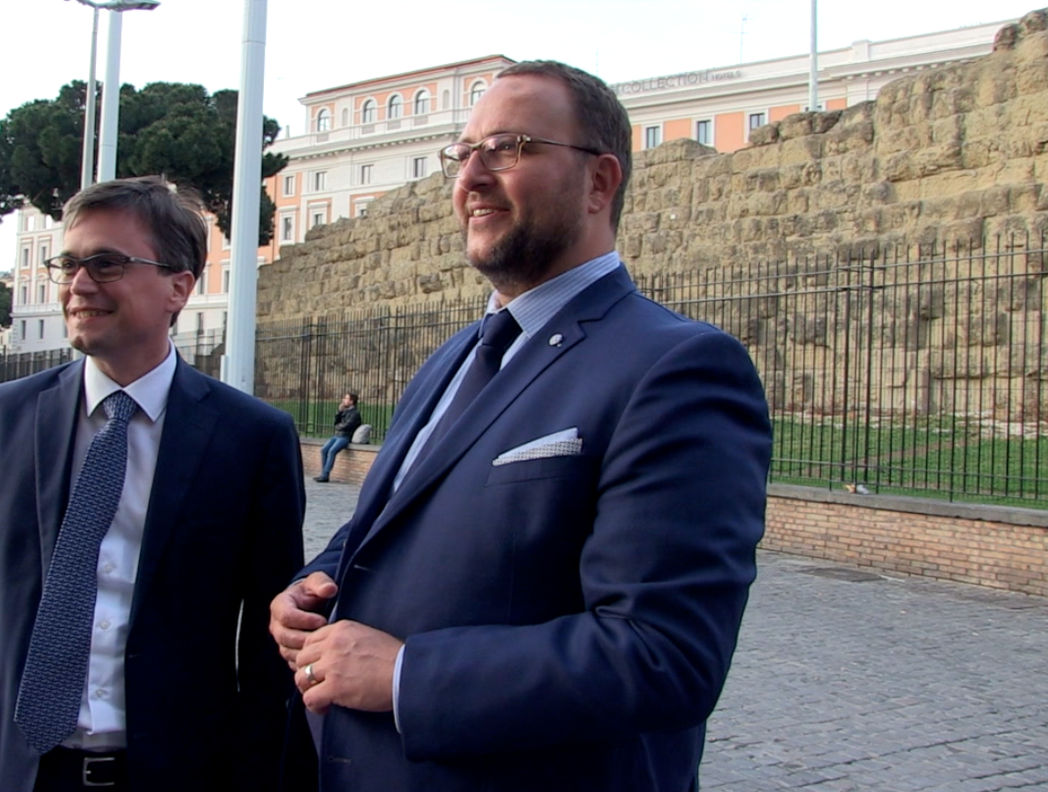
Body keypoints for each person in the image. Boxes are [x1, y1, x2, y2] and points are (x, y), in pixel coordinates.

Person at [269, 60, 772, 792]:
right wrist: (314, 584)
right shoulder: (451, 357)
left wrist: (409, 675)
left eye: (507, 148)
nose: (469, 177)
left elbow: (665, 654)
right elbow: (388, 527)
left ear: (600, 182)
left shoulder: (678, 368)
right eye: (462, 153)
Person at [0, 176, 307, 792]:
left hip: (171, 772)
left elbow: (269, 650)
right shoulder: (7, 416)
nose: (79, 285)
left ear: (178, 288)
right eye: (69, 264)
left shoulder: (252, 439)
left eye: (106, 264)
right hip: (15, 771)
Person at [314, 392, 361, 483]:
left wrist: (338, 426)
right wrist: (339, 412)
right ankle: (323, 474)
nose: (343, 400)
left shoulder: (355, 413)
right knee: (324, 450)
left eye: (346, 398)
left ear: (352, 401)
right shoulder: (345, 411)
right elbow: (336, 422)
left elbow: (347, 425)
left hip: (345, 436)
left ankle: (325, 475)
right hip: (337, 435)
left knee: (332, 451)